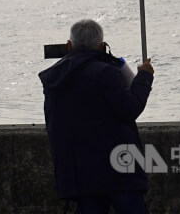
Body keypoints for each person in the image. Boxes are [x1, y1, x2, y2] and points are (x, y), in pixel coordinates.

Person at [39, 19, 154, 214]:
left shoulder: (54, 78)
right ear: (101, 46)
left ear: (69, 45)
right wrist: (144, 78)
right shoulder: (105, 72)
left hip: (81, 173)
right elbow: (130, 108)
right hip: (118, 170)